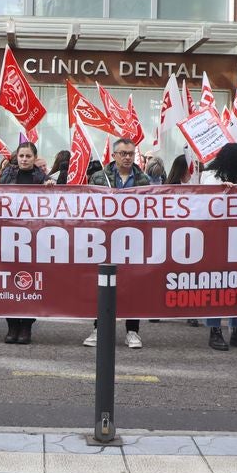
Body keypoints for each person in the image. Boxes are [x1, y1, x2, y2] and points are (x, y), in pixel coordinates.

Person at [83, 138, 150, 349]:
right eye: (123, 153)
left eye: (130, 153)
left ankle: (132, 331)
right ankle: (99, 327)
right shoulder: (98, 178)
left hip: (134, 239)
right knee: (103, 284)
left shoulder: (143, 180)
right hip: (105, 239)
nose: (127, 157)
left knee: (135, 286)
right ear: (114, 155)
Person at [197, 143, 237, 351]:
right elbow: (205, 202)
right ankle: (215, 330)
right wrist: (222, 193)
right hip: (215, 238)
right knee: (216, 284)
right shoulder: (211, 176)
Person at [0, 142, 50, 345]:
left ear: (35, 158)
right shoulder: (7, 175)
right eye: (21, 156)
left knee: (31, 283)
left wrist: (50, 188)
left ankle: (26, 326)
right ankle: (12, 326)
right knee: (9, 281)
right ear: (16, 157)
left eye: (28, 156)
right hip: (10, 234)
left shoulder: (42, 178)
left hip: (34, 238)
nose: (24, 159)